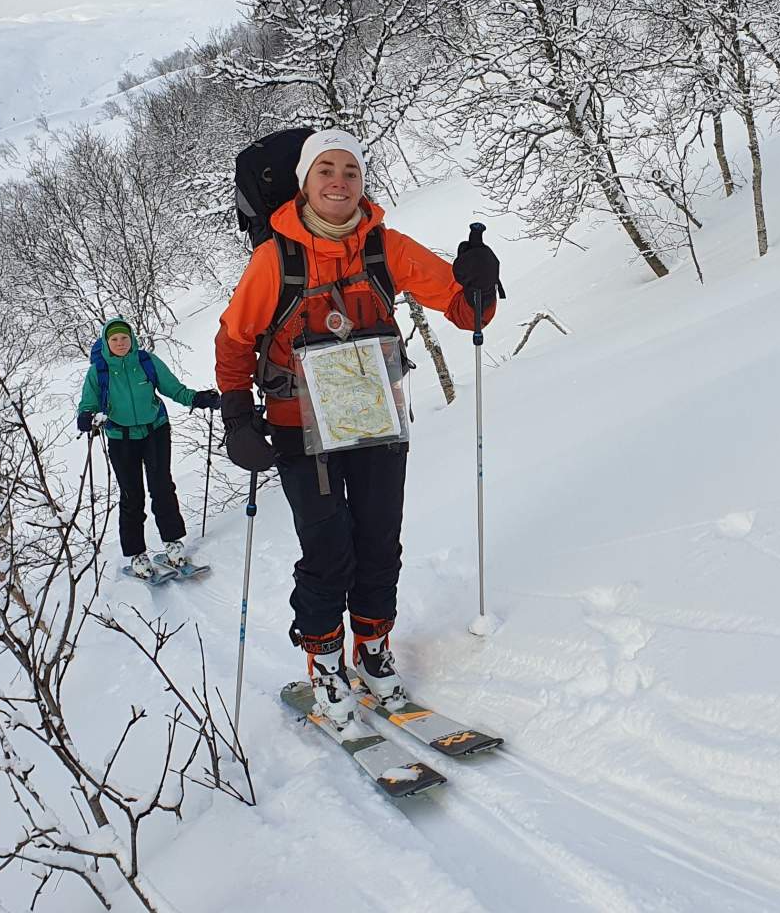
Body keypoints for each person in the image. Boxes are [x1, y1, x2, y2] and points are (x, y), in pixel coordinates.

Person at [215, 129, 500, 726]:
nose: (339, 180)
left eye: (350, 169)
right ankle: (323, 660)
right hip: (299, 431)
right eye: (326, 170)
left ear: (363, 182)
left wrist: (476, 279)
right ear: (304, 183)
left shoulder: (384, 247)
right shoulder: (275, 260)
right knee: (327, 551)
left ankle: (372, 649)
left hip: (375, 425)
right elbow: (236, 339)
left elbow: (462, 308)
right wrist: (238, 414)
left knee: (377, 543)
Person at [77, 317, 221, 579]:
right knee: (132, 496)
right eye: (114, 339)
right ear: (106, 343)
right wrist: (86, 416)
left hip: (155, 431)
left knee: (162, 487)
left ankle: (173, 545)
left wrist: (198, 398)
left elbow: (174, 389)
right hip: (121, 439)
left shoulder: (146, 362)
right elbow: (88, 402)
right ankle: (136, 555)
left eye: (124, 338)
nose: (120, 343)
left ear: (132, 339)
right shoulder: (99, 371)